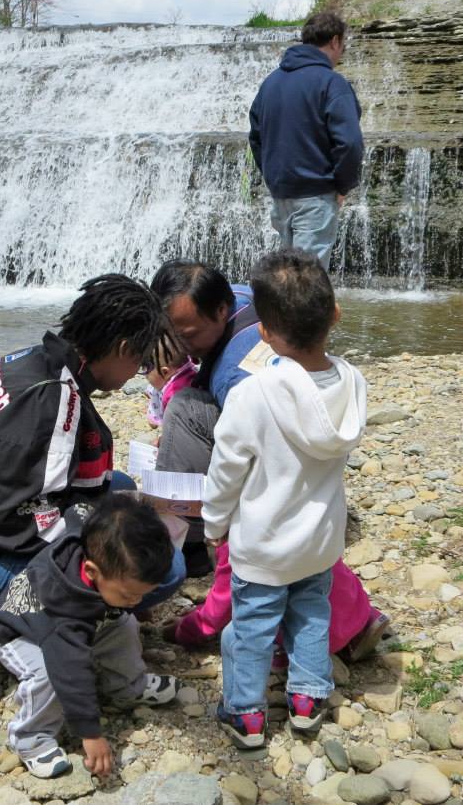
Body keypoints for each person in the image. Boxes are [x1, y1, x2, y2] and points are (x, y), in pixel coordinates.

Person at [0, 273, 185, 602]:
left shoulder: (40, 359)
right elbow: (9, 521)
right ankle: (36, 617)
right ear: (122, 349)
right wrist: (98, 541)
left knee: (119, 486)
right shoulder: (51, 403)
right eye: (141, 360)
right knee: (166, 568)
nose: (140, 369)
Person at [206, 249, 366, 749]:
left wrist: (213, 526)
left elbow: (226, 471)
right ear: (335, 314)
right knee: (310, 614)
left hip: (264, 545)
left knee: (251, 627)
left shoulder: (253, 395)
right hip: (319, 540)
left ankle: (246, 714)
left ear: (263, 332)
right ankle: (308, 699)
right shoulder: (352, 384)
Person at [0, 496, 179, 779]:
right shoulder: (64, 607)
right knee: (47, 675)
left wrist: (129, 600)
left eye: (143, 594)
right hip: (21, 634)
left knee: (124, 625)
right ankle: (31, 738)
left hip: (82, 621)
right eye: (129, 594)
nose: (136, 600)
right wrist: (89, 732)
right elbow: (70, 670)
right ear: (91, 571)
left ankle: (127, 686)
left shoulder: (100, 545)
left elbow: (86, 508)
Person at [150, 260, 273, 576]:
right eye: (171, 335)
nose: (180, 348)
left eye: (188, 336)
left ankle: (187, 545)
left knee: (184, 408)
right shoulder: (244, 297)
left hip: (276, 469)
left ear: (220, 310)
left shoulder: (234, 376)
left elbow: (256, 449)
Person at [249, 12, 364, 270]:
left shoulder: (270, 83)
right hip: (316, 196)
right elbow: (350, 143)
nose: (341, 52)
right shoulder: (332, 83)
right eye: (343, 45)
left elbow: (256, 138)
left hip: (281, 195)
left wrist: (274, 176)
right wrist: (342, 185)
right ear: (335, 41)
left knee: (289, 277)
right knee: (306, 283)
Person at [165, 546, 390, 664]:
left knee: (250, 618)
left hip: (314, 635)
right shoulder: (305, 517)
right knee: (328, 574)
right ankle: (363, 620)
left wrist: (184, 629)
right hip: (351, 605)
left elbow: (221, 607)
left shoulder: (236, 543)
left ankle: (290, 662)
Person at [145, 332, 197, 427]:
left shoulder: (174, 396)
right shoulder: (186, 367)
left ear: (165, 372)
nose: (145, 375)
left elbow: (175, 426)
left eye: (146, 370)